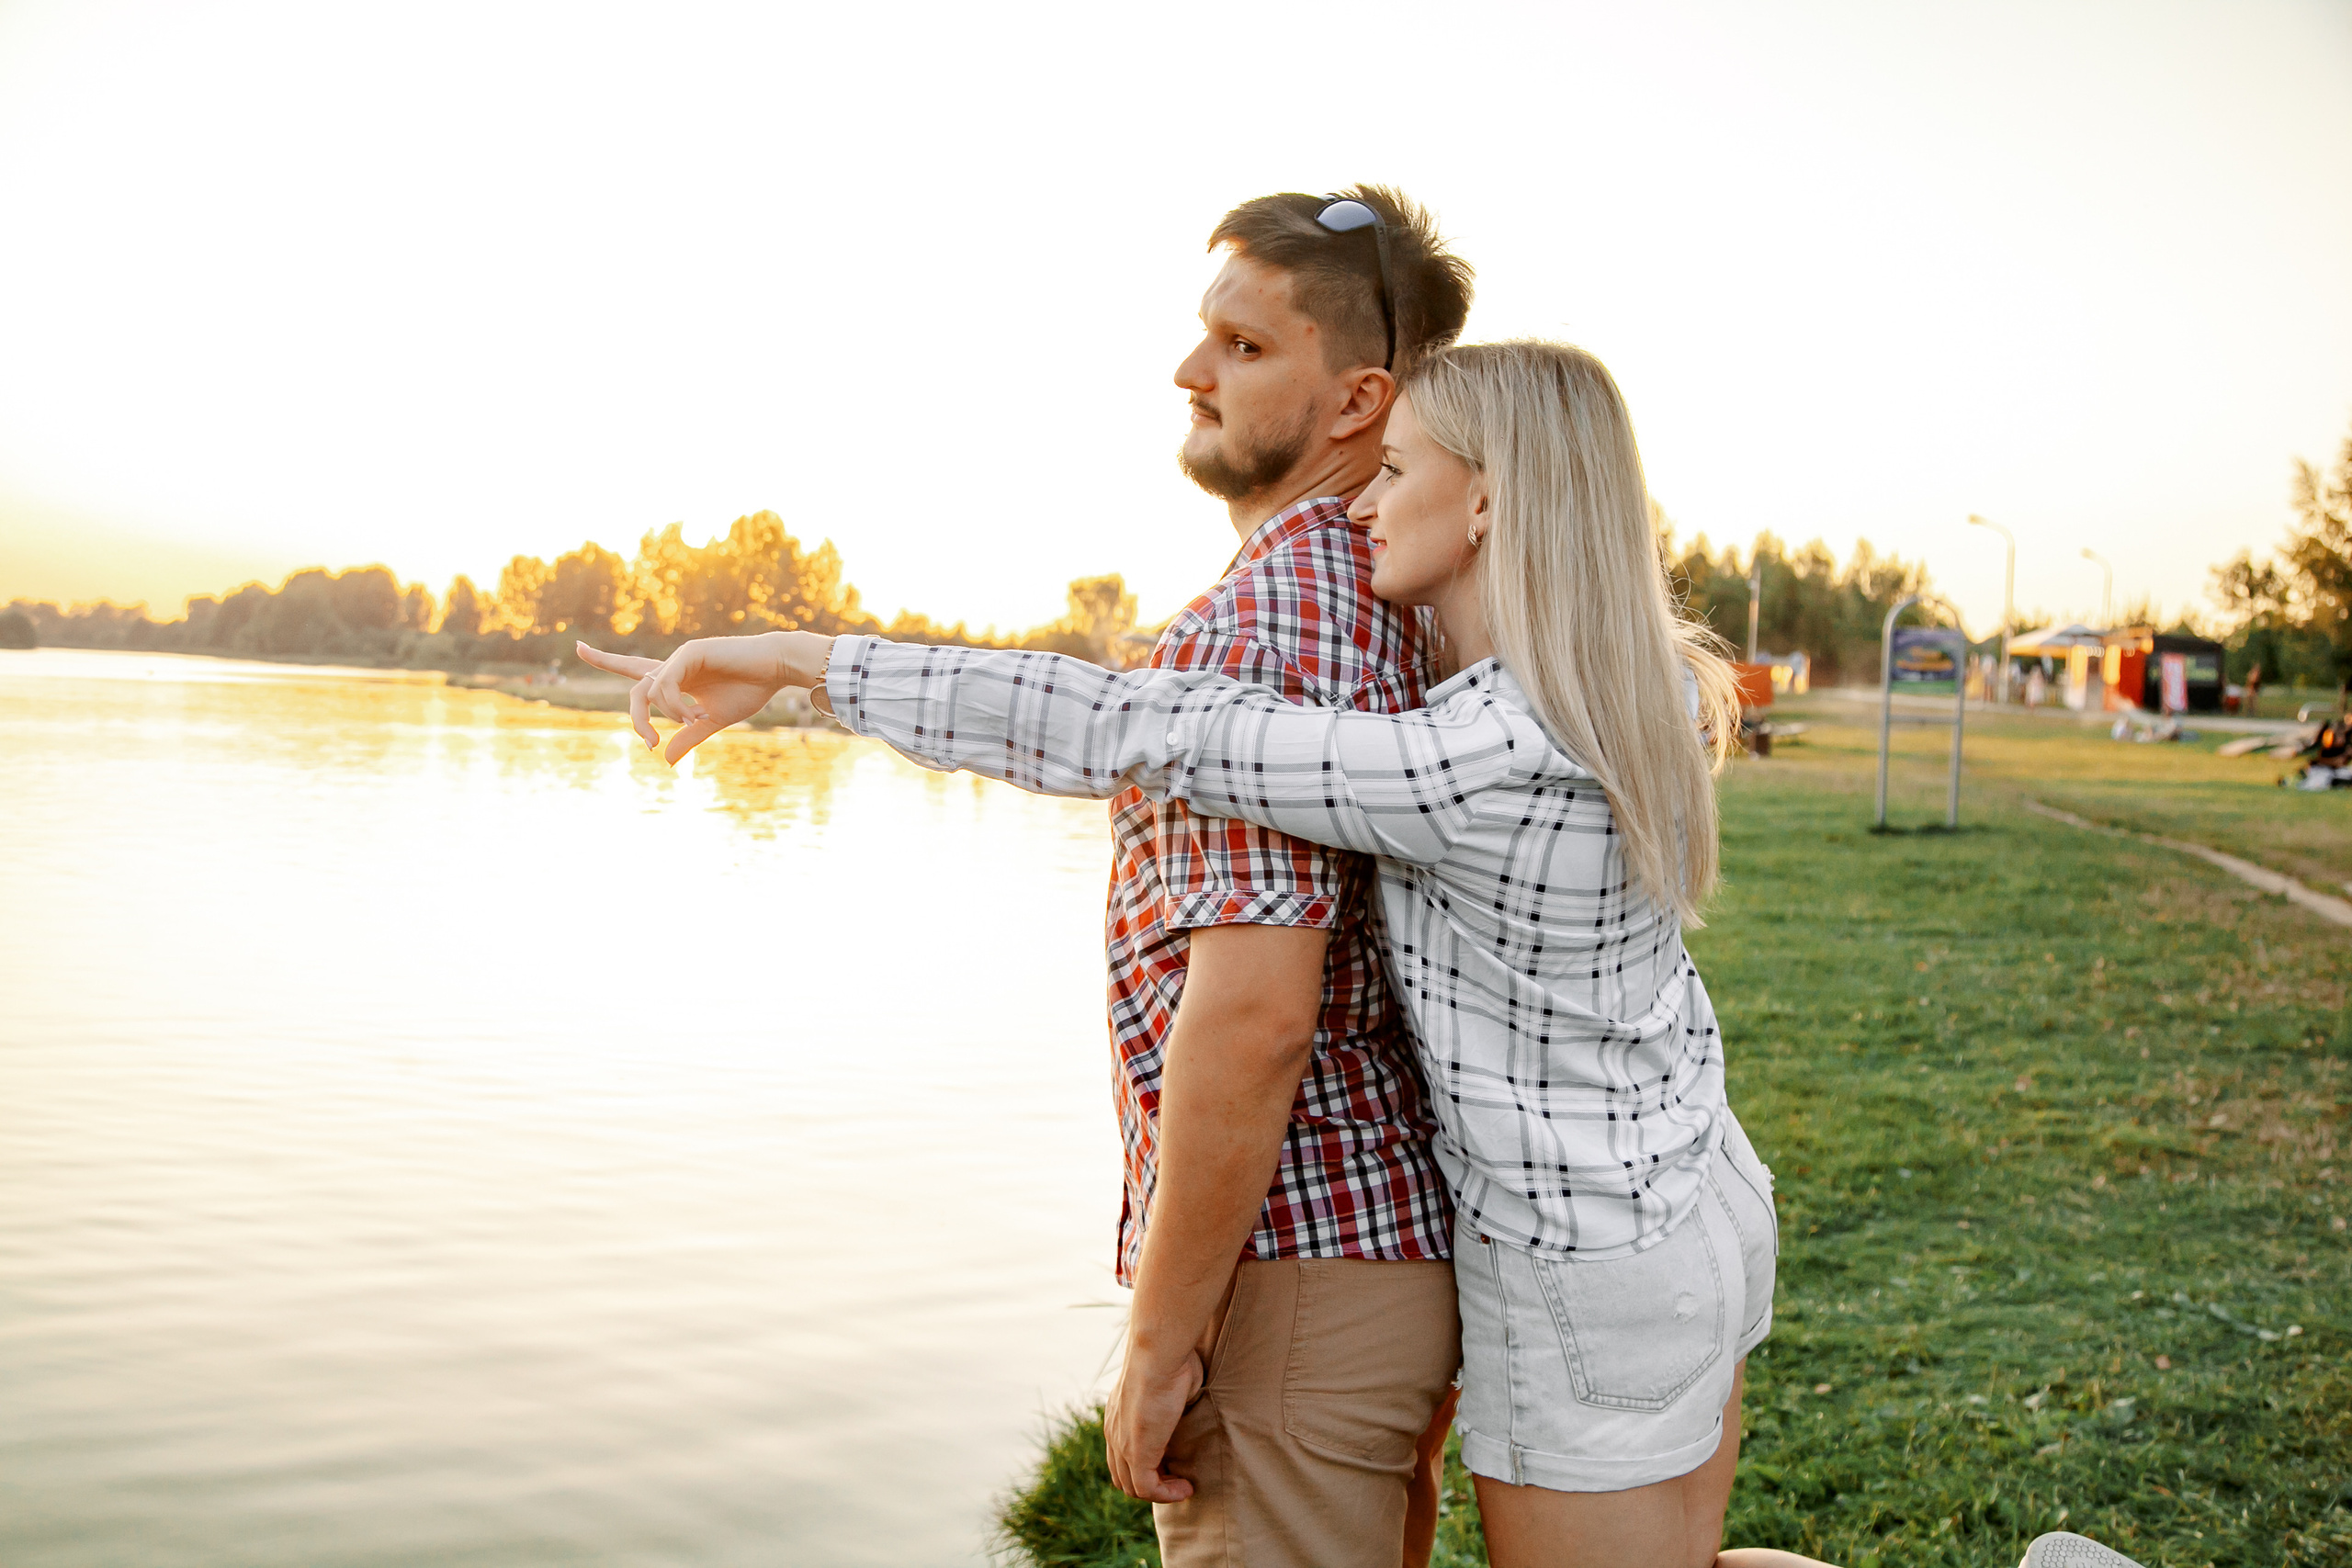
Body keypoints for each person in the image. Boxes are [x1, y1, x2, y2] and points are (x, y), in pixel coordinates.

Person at [588, 341, 1836, 1566]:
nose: (1362, 505)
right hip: (1699, 1206)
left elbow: (1139, 725)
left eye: (1395, 472)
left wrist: (811, 662)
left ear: (1491, 496)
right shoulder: (1634, 689)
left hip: (1582, 1277)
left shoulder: (1472, 761)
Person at [588, 187, 1478, 1567]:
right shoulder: (1386, 589)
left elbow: (1252, 1016)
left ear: (1360, 398)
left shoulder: (1270, 616)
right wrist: (793, 659)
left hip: (1291, 1279)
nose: (1191, 372)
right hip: (1369, 1257)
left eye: (1244, 348)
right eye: (1205, 338)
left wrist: (1160, 1342)